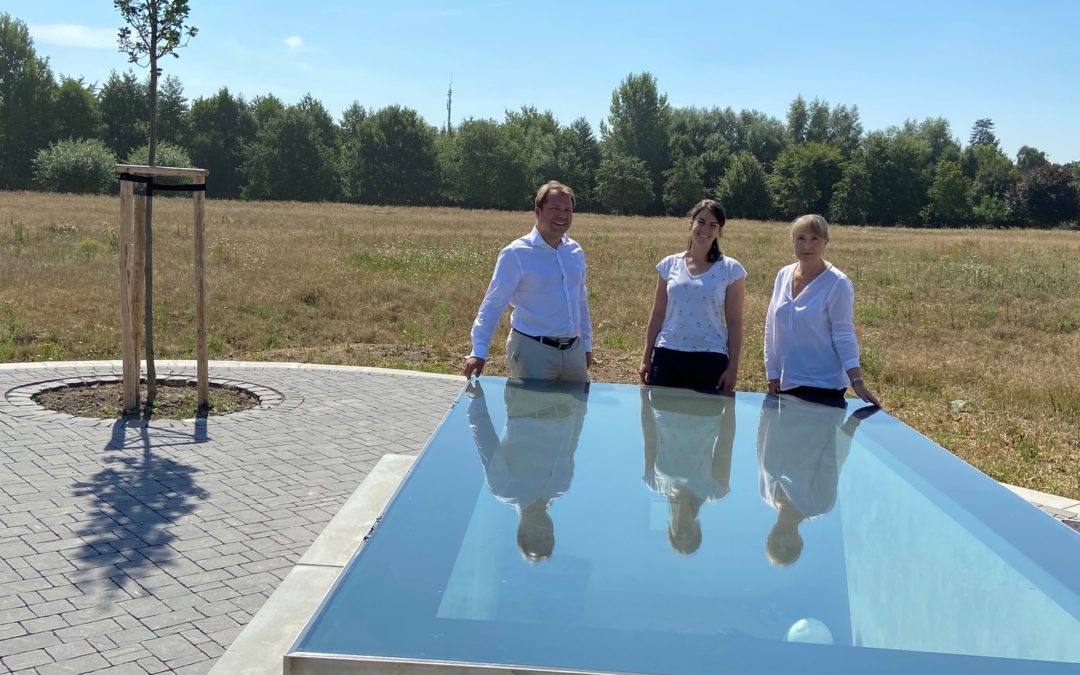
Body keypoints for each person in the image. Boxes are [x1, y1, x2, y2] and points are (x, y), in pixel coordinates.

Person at [463, 181, 593, 382]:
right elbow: (494, 302)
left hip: (573, 351)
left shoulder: (575, 251)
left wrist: (586, 344)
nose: (562, 215)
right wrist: (478, 350)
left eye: (568, 210)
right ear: (537, 212)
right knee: (531, 412)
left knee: (576, 413)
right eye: (555, 208)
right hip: (532, 350)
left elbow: (581, 301)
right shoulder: (516, 253)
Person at [764, 214, 881, 408]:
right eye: (801, 238)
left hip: (823, 386)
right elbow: (771, 326)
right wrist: (772, 372)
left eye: (814, 239)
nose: (807, 246)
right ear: (792, 240)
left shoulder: (837, 283)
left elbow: (843, 334)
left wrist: (857, 381)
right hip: (786, 383)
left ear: (826, 242)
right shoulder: (783, 275)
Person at [466, 379, 589, 562]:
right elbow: (572, 441)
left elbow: (485, 443)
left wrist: (476, 402)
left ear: (521, 532)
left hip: (527, 400)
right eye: (547, 537)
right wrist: (582, 402)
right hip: (567, 398)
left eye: (535, 537)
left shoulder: (505, 489)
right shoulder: (561, 486)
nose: (542, 530)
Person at [757, 393, 877, 565]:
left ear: (769, 537)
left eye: (776, 546)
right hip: (823, 408)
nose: (783, 541)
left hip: (785, 403)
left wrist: (767, 407)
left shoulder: (765, 493)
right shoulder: (819, 504)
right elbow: (833, 460)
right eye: (789, 548)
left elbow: (762, 442)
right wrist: (853, 423)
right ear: (799, 542)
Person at [639, 199, 745, 391]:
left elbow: (734, 322)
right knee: (664, 418)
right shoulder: (669, 264)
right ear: (691, 222)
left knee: (705, 419)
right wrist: (646, 357)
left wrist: (733, 368)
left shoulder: (731, 269)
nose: (706, 229)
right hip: (667, 353)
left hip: (710, 356)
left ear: (719, 230)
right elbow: (657, 314)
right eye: (701, 222)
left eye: (714, 225)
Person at [640, 386, 735, 555]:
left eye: (678, 536)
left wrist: (643, 400)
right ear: (697, 527)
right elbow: (725, 445)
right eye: (689, 535)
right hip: (706, 411)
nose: (683, 531)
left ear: (670, 529)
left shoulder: (653, 482)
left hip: (665, 406)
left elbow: (649, 436)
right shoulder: (714, 491)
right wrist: (730, 406)